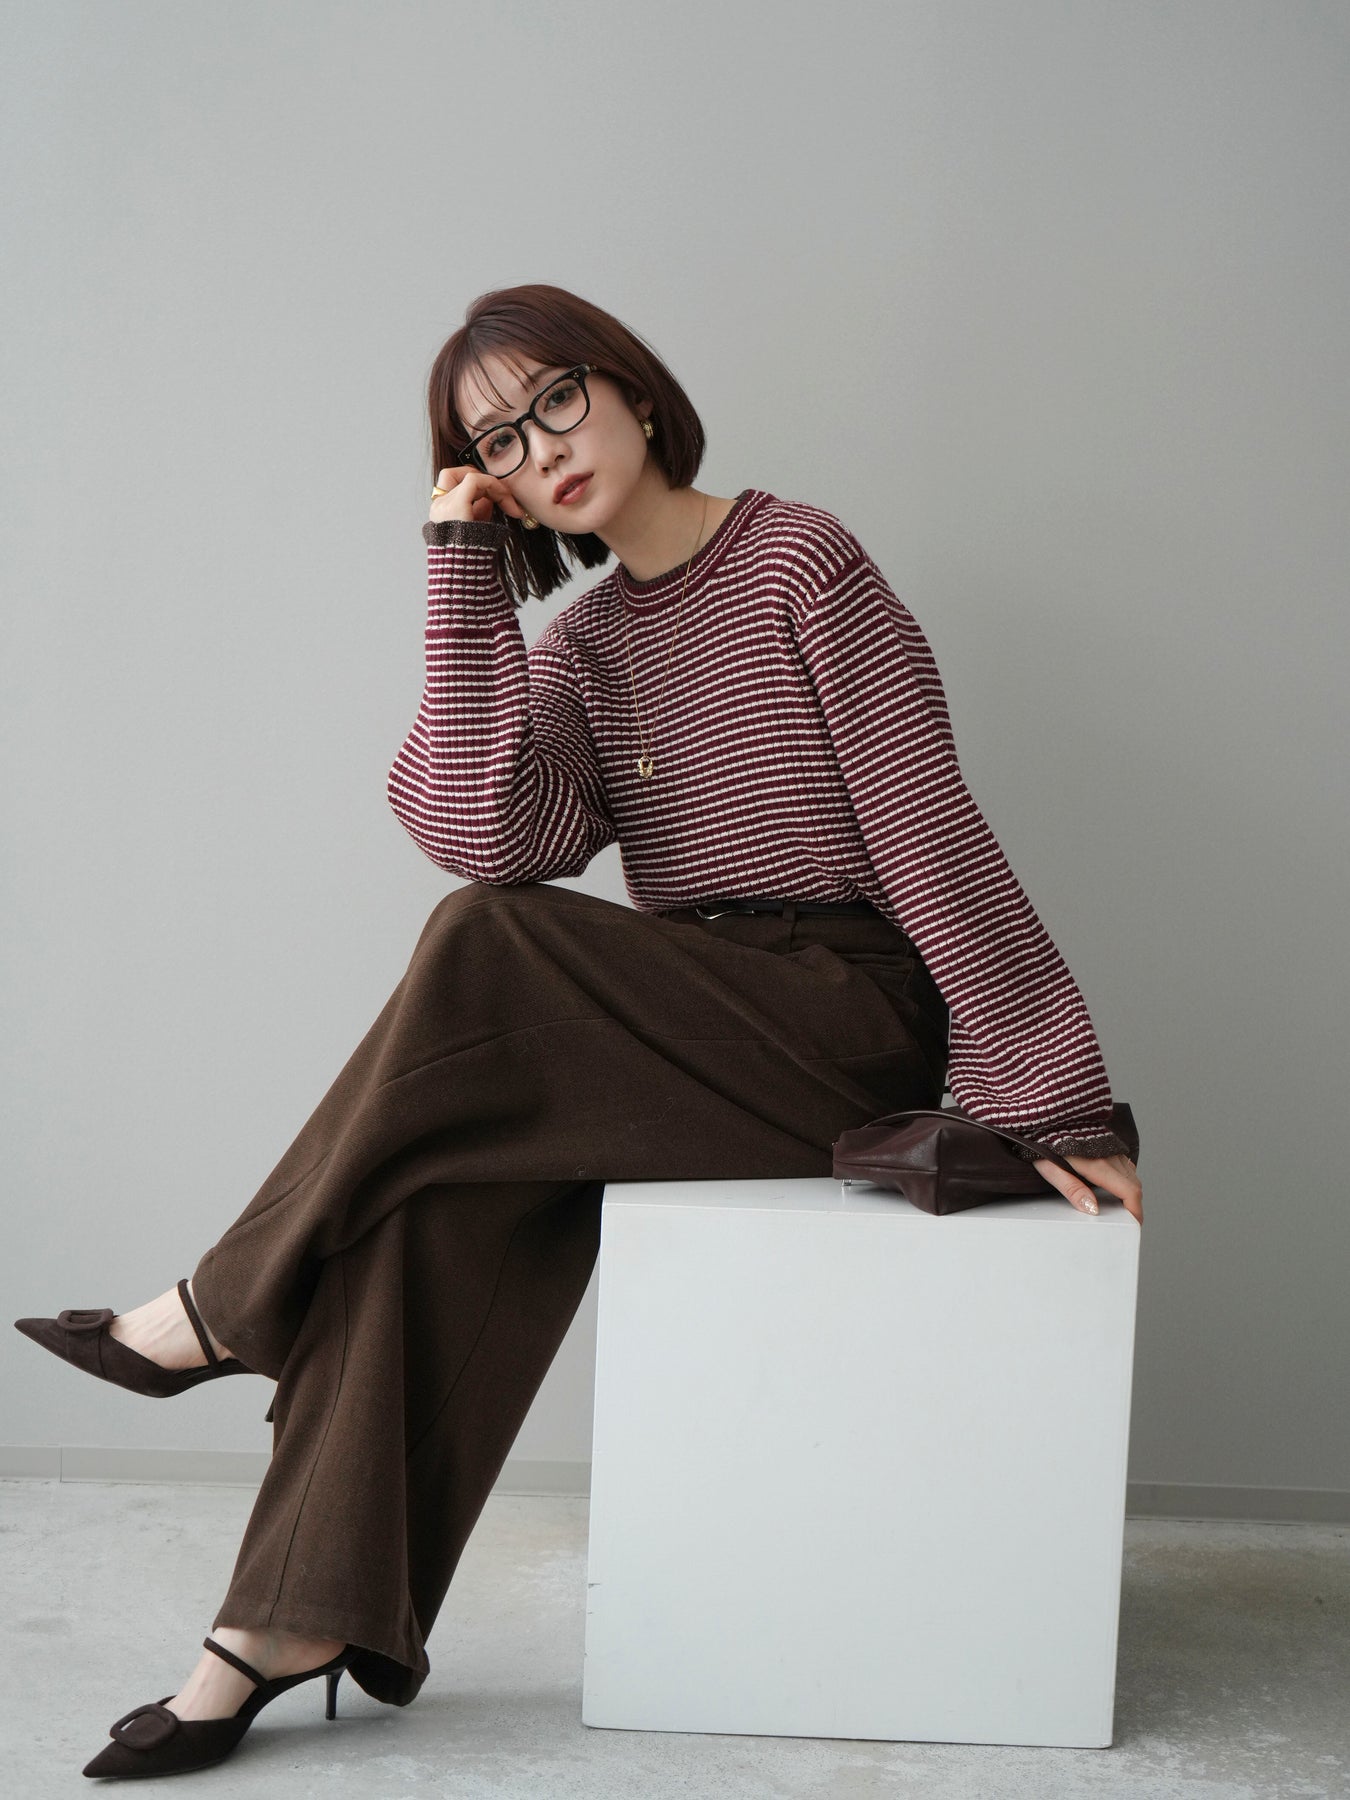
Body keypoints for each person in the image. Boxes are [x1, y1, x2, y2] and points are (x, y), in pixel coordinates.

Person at [18, 281, 1143, 1779]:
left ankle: (223, 1306)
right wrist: (461, 573)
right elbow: (485, 830)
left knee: (482, 946)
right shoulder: (582, 644)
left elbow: (927, 827)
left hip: (847, 1013)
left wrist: (1052, 1090)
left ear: (632, 392)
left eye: (557, 400)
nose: (540, 446)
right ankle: (275, 1627)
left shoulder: (801, 561)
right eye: (498, 439)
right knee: (419, 1195)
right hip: (681, 1016)